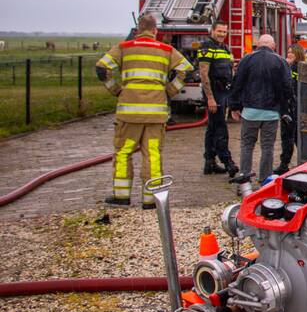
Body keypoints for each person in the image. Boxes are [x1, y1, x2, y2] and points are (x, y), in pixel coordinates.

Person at [95, 13, 192, 209]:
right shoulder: (166, 49)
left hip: (129, 113)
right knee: (153, 154)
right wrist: (168, 91)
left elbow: (101, 67)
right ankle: (151, 199)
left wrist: (116, 89)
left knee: (123, 152)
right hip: (156, 112)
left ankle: (121, 196)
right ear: (155, 31)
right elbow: (186, 69)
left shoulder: (124, 48)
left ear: (138, 30)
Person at [228, 34, 293, 194]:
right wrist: (284, 109)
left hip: (250, 112)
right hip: (271, 113)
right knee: (267, 147)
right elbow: (287, 87)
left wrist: (234, 106)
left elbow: (237, 83)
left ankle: (243, 182)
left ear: (258, 45)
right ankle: (265, 182)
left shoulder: (246, 60)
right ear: (274, 46)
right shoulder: (281, 62)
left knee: (246, 145)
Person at [196, 21, 239, 177]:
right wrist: (210, 98)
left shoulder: (224, 48)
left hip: (224, 91)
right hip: (214, 91)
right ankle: (228, 161)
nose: (222, 34)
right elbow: (203, 74)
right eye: (219, 31)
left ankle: (210, 162)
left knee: (213, 127)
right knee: (221, 128)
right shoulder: (207, 47)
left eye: (224, 32)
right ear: (212, 30)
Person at [274, 43, 305, 174]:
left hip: (294, 105)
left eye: (292, 52)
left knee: (290, 136)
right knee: (291, 136)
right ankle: (291, 162)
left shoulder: (299, 68)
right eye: (288, 51)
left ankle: (285, 164)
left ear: (298, 54)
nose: (289, 54)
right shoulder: (288, 66)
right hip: (290, 105)